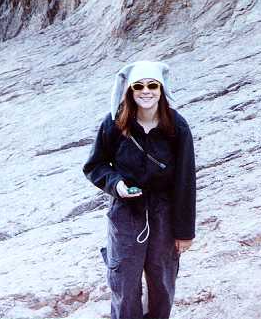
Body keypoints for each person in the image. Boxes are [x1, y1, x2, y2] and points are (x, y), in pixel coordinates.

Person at [83, 60, 196, 319]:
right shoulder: (114, 124)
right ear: (130, 91)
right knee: (124, 279)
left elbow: (185, 181)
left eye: (152, 85)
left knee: (162, 281)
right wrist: (116, 184)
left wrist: (184, 231)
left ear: (161, 89)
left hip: (164, 214)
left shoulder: (177, 127)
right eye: (139, 86)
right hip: (125, 213)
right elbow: (95, 165)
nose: (146, 91)